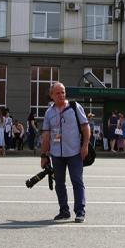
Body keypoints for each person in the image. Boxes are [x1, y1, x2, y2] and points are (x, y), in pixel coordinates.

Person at [40, 82, 90, 223]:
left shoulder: (74, 107)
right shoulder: (49, 112)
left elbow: (85, 127)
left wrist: (85, 145)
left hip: (74, 152)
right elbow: (46, 135)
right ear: (52, 96)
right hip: (56, 154)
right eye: (58, 93)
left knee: (77, 181)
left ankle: (80, 211)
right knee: (59, 183)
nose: (61, 95)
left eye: (63, 92)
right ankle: (64, 210)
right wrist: (44, 155)